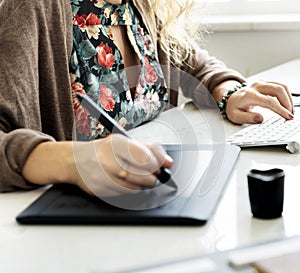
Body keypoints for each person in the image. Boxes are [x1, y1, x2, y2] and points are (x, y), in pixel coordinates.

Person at [0, 0, 294, 196]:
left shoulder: (137, 6)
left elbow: (194, 63)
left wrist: (229, 90)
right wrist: (74, 161)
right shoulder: (30, 8)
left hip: (149, 195)